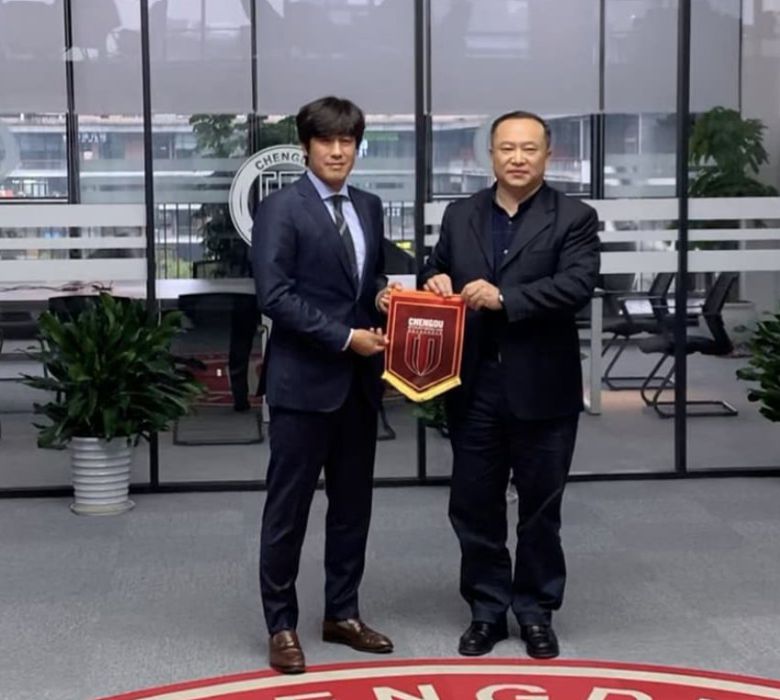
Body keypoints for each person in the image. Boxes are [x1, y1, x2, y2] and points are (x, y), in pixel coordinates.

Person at [420, 110, 600, 659]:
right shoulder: (460, 214)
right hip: (473, 383)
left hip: (543, 386)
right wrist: (434, 279)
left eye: (529, 148)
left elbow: (576, 286)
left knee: (541, 509)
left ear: (548, 155)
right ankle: (487, 610)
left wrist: (505, 299)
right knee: (474, 505)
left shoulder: (574, 217)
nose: (517, 158)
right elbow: (436, 268)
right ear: (490, 154)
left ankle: (536, 612)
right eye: (507, 148)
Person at [252, 96, 398, 674]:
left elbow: (367, 277)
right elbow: (275, 296)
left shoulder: (369, 206)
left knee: (352, 508)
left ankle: (342, 613)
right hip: (302, 384)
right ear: (306, 146)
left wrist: (382, 296)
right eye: (326, 141)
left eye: (347, 141)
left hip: (358, 386)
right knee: (287, 511)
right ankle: (281, 625)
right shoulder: (281, 209)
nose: (338, 151)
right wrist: (344, 338)